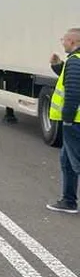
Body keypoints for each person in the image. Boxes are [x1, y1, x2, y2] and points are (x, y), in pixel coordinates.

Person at [46, 28, 80, 214]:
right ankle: (68, 201)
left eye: (64, 40)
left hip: (75, 122)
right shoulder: (74, 61)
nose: (62, 42)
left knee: (75, 162)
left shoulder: (75, 61)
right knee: (67, 161)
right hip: (75, 121)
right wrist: (58, 66)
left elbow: (73, 92)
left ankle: (69, 201)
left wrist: (66, 119)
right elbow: (70, 81)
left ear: (73, 42)